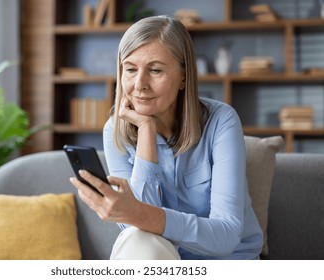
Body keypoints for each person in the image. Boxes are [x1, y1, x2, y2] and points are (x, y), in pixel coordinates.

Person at [69, 15, 263, 260]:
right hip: (158, 261)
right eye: (130, 69)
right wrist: (146, 132)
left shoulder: (221, 121)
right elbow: (140, 235)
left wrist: (138, 213)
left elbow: (226, 236)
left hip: (226, 263)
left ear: (183, 76)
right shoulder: (115, 131)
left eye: (155, 70)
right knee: (137, 238)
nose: (140, 84)